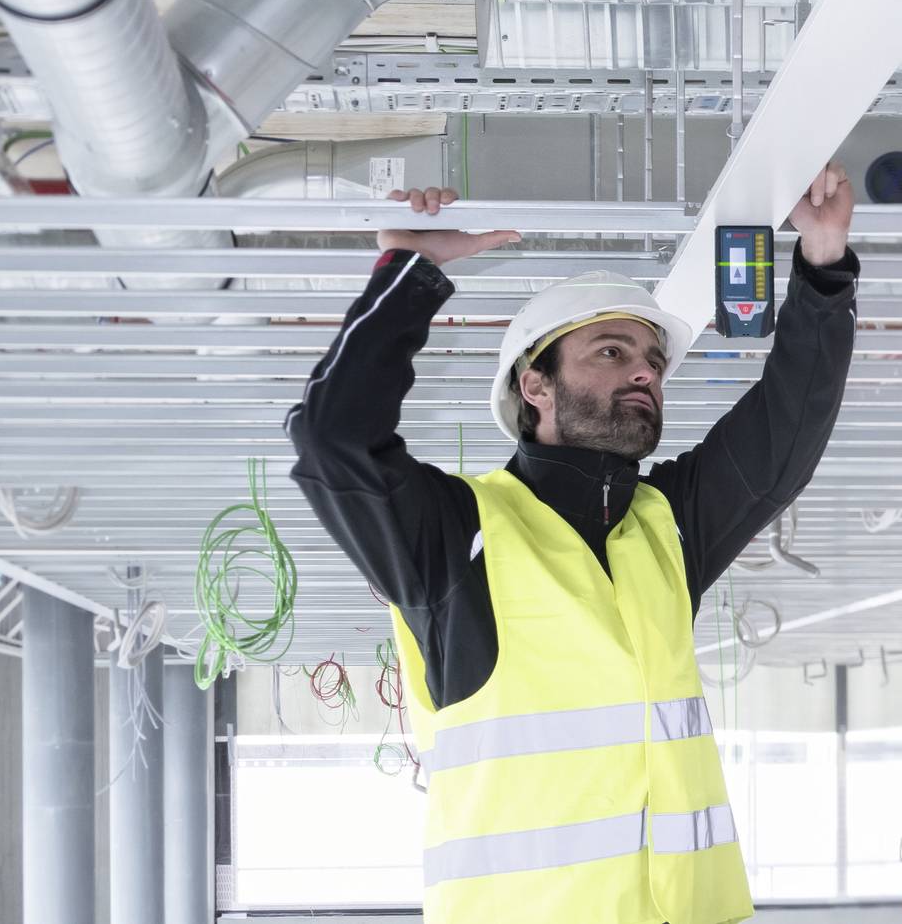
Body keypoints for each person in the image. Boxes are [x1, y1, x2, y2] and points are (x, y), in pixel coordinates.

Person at [288, 170, 860, 924]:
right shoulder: (457, 536)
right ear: (536, 386)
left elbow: (781, 444)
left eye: (652, 361)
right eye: (612, 352)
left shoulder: (662, 526)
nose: (646, 371)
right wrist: (410, 271)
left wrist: (823, 266)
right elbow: (333, 441)